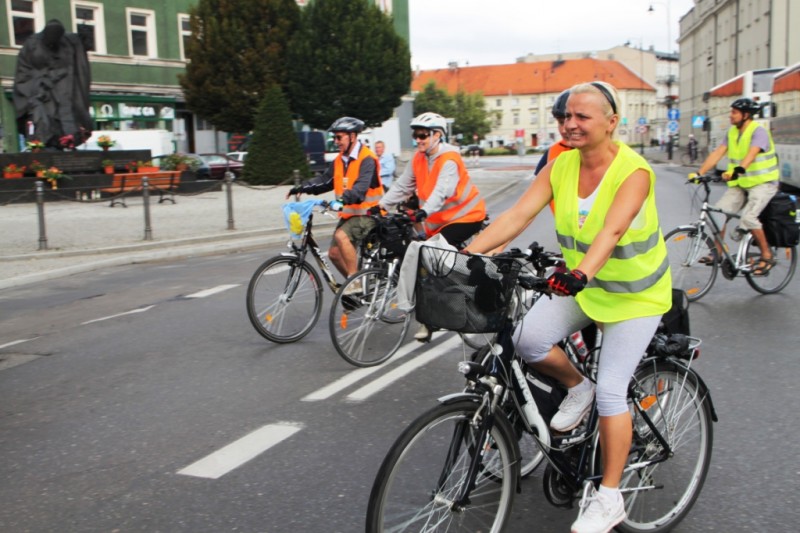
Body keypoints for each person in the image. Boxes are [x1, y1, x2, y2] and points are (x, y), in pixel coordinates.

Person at [465, 81, 672, 533]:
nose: (570, 124)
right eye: (565, 116)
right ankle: (578, 387)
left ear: (611, 122)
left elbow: (611, 231)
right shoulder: (560, 165)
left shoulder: (634, 171)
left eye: (582, 116)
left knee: (613, 391)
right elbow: (517, 216)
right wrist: (463, 257)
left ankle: (609, 498)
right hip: (587, 289)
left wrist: (580, 273)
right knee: (526, 339)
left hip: (635, 296)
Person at [377, 111, 487, 341]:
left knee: (432, 258)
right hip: (437, 221)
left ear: (437, 135)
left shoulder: (449, 159)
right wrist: (381, 206)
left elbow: (442, 191)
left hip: (466, 217)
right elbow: (403, 185)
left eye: (423, 135)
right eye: (415, 135)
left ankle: (456, 302)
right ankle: (432, 313)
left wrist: (423, 211)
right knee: (421, 262)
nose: (418, 140)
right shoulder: (419, 158)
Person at [287, 117, 384, 291]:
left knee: (341, 236)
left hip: (368, 214)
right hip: (349, 215)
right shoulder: (340, 160)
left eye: (339, 137)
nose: (336, 141)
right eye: (334, 138)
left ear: (352, 136)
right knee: (334, 253)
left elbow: (360, 189)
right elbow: (325, 180)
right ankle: (359, 288)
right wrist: (302, 187)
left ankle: (355, 282)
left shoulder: (367, 159)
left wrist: (341, 201)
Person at [696, 97, 779, 275]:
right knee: (718, 214)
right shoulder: (732, 133)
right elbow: (718, 153)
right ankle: (717, 253)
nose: (730, 116)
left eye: (734, 112)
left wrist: (737, 170)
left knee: (748, 217)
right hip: (741, 184)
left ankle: (767, 255)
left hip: (763, 184)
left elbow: (751, 154)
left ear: (746, 115)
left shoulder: (759, 132)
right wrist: (699, 172)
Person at [13, 19, 92, 150]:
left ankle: (67, 140)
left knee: (66, 115)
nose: (52, 45)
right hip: (40, 90)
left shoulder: (68, 42)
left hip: (63, 89)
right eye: (50, 42)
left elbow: (80, 48)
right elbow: (23, 72)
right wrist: (40, 83)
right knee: (41, 117)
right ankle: (45, 141)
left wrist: (84, 41)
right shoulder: (32, 44)